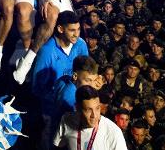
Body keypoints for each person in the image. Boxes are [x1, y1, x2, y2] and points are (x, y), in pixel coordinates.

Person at [31, 11, 88, 149]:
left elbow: (86, 73)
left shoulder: (80, 45)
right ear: (60, 29)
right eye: (72, 30)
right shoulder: (47, 52)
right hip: (52, 114)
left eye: (78, 29)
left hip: (77, 110)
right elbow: (37, 88)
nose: (77, 34)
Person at [53, 85, 128, 149]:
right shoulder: (67, 120)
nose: (94, 115)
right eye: (88, 110)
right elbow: (58, 146)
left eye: (97, 108)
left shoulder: (113, 132)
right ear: (77, 108)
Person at [51, 56, 99, 139]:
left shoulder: (64, 79)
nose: (92, 86)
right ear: (75, 76)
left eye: (94, 80)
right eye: (88, 80)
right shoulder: (71, 99)